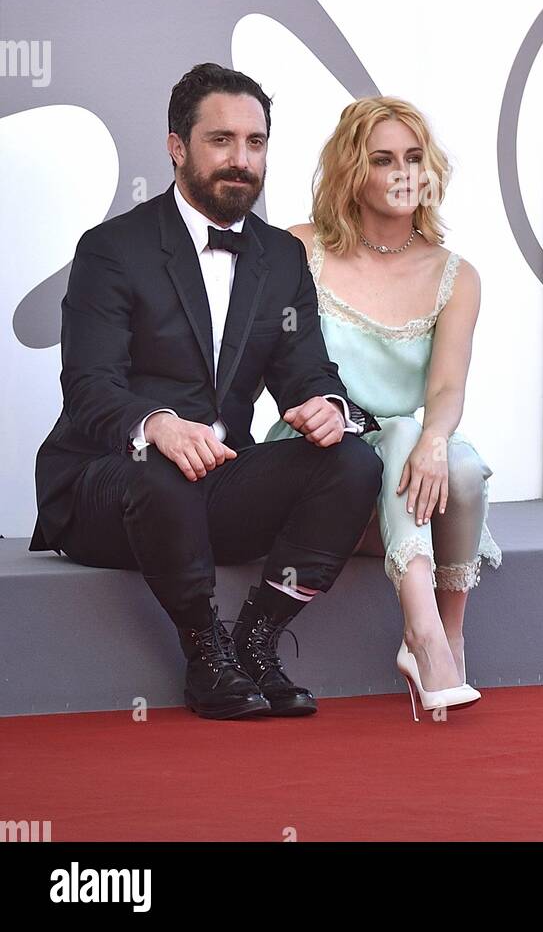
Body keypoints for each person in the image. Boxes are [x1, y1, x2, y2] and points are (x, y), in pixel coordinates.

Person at [29, 62, 384, 721]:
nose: (241, 160)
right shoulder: (113, 249)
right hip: (107, 488)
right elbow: (88, 388)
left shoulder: (280, 257)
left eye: (255, 143)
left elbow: (306, 371)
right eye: (221, 141)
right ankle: (204, 650)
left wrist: (325, 407)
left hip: (215, 487)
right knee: (158, 465)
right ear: (176, 147)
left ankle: (257, 637)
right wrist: (158, 423)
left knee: (352, 459)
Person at [265, 96, 502, 720]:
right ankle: (425, 641)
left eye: (415, 158)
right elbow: (272, 358)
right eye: (383, 159)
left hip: (403, 474)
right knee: (405, 436)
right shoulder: (299, 248)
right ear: (352, 171)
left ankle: (443, 634)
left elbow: (446, 388)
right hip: (323, 468)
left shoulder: (457, 275)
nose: (404, 172)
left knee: (462, 466)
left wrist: (432, 438)